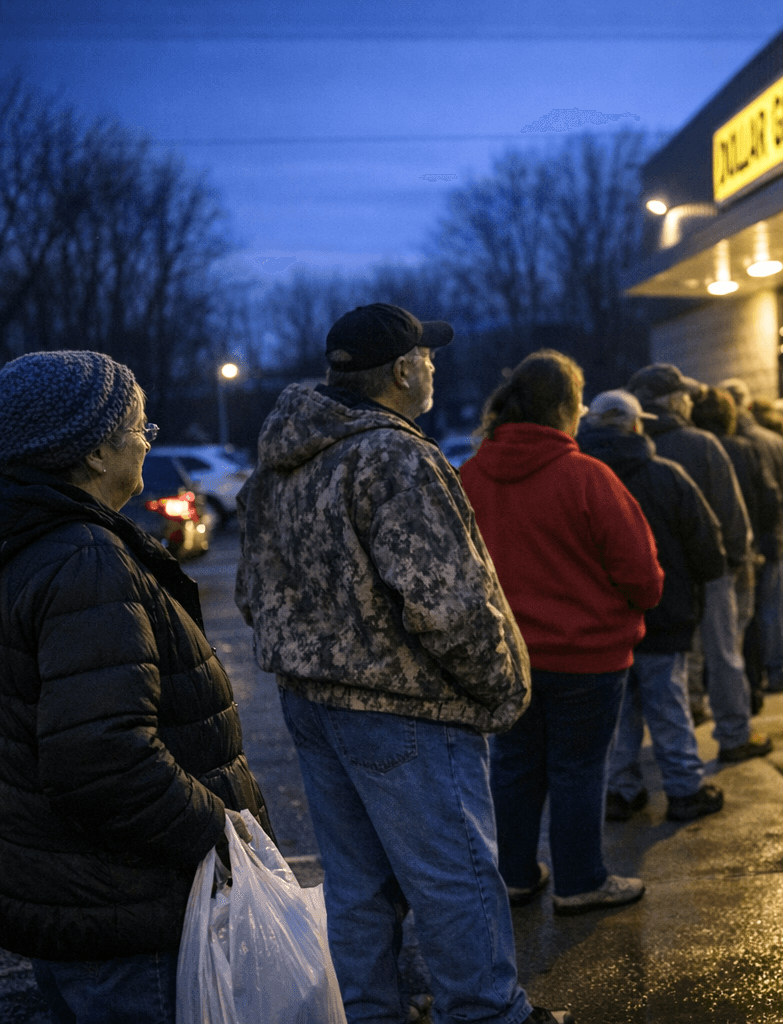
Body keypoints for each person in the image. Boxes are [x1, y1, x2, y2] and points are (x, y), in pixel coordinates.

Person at [237, 304, 569, 1024]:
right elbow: (447, 604)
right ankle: (487, 1012)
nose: (434, 368)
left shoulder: (284, 461)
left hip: (313, 703)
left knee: (357, 882)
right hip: (405, 705)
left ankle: (371, 1012)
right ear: (402, 370)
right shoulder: (393, 457)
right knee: (454, 875)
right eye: (428, 357)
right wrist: (501, 688)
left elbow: (253, 590)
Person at [0, 351, 269, 1024]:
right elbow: (102, 758)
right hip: (125, 904)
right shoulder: (82, 556)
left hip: (74, 889)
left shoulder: (16, 539)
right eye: (140, 428)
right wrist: (221, 836)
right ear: (94, 452)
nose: (147, 443)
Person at [461, 352, 662, 915]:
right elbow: (642, 576)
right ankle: (580, 880)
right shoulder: (588, 478)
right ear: (568, 409)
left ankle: (514, 874)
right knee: (579, 769)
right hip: (587, 657)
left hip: (506, 657)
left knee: (513, 766)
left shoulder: (470, 476)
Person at [577, 390, 727, 823]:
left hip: (603, 619)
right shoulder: (667, 476)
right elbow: (706, 545)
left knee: (618, 711)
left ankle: (620, 788)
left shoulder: (579, 479)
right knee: (669, 704)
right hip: (665, 610)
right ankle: (683, 787)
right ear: (636, 426)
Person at [627, 364, 773, 763]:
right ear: (673, 402)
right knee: (723, 654)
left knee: (669, 661)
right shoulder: (702, 445)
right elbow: (731, 514)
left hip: (650, 573)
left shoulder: (627, 449)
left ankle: (678, 733)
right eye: (685, 397)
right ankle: (734, 733)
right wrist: (737, 561)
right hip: (710, 570)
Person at [690, 386, 777, 710]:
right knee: (733, 640)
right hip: (734, 556)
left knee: (697, 643)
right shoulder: (742, 449)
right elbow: (767, 499)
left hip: (692, 558)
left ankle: (696, 702)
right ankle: (740, 710)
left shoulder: (681, 449)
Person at [719, 379, 783, 696]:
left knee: (738, 616)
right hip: (770, 540)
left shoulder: (720, 443)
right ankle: (775, 670)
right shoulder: (771, 441)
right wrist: (782, 524)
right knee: (770, 609)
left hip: (735, 544)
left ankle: (747, 679)